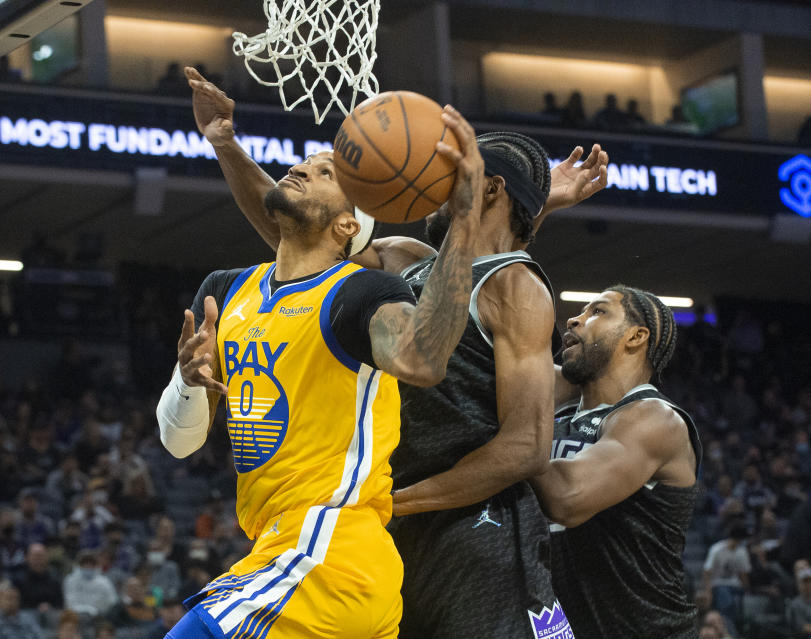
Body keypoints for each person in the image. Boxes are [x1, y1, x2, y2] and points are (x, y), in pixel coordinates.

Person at [184, 67, 608, 638]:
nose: (432, 182)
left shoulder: (520, 289)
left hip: (471, 535)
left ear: (488, 188)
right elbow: (301, 239)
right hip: (383, 529)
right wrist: (227, 148)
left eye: (449, 171)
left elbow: (526, 448)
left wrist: (391, 500)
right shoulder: (407, 257)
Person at [157, 70, 486, 638]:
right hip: (291, 553)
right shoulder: (224, 290)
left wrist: (463, 218)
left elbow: (425, 361)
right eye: (306, 161)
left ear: (347, 225)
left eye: (327, 170)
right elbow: (179, 442)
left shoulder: (361, 293)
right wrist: (188, 382)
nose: (305, 166)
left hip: (327, 551)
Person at [531, 287, 702, 638]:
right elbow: (491, 360)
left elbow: (567, 497)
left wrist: (513, 438)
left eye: (599, 312)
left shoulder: (654, 419)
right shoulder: (565, 405)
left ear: (636, 337)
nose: (575, 319)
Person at [703, 524, 751, 626]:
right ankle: (727, 625)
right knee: (725, 597)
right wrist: (708, 592)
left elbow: (743, 574)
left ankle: (738, 624)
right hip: (718, 584)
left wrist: (747, 590)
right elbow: (707, 571)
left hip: (735, 585)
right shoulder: (716, 549)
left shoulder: (742, 551)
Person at [63, 550, 118, 617]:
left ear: (96, 565)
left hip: (98, 616)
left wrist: (96, 611)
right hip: (74, 615)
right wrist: (81, 609)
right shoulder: (70, 580)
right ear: (79, 565)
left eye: (91, 564)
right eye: (85, 564)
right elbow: (69, 601)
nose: (88, 567)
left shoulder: (104, 582)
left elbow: (112, 601)